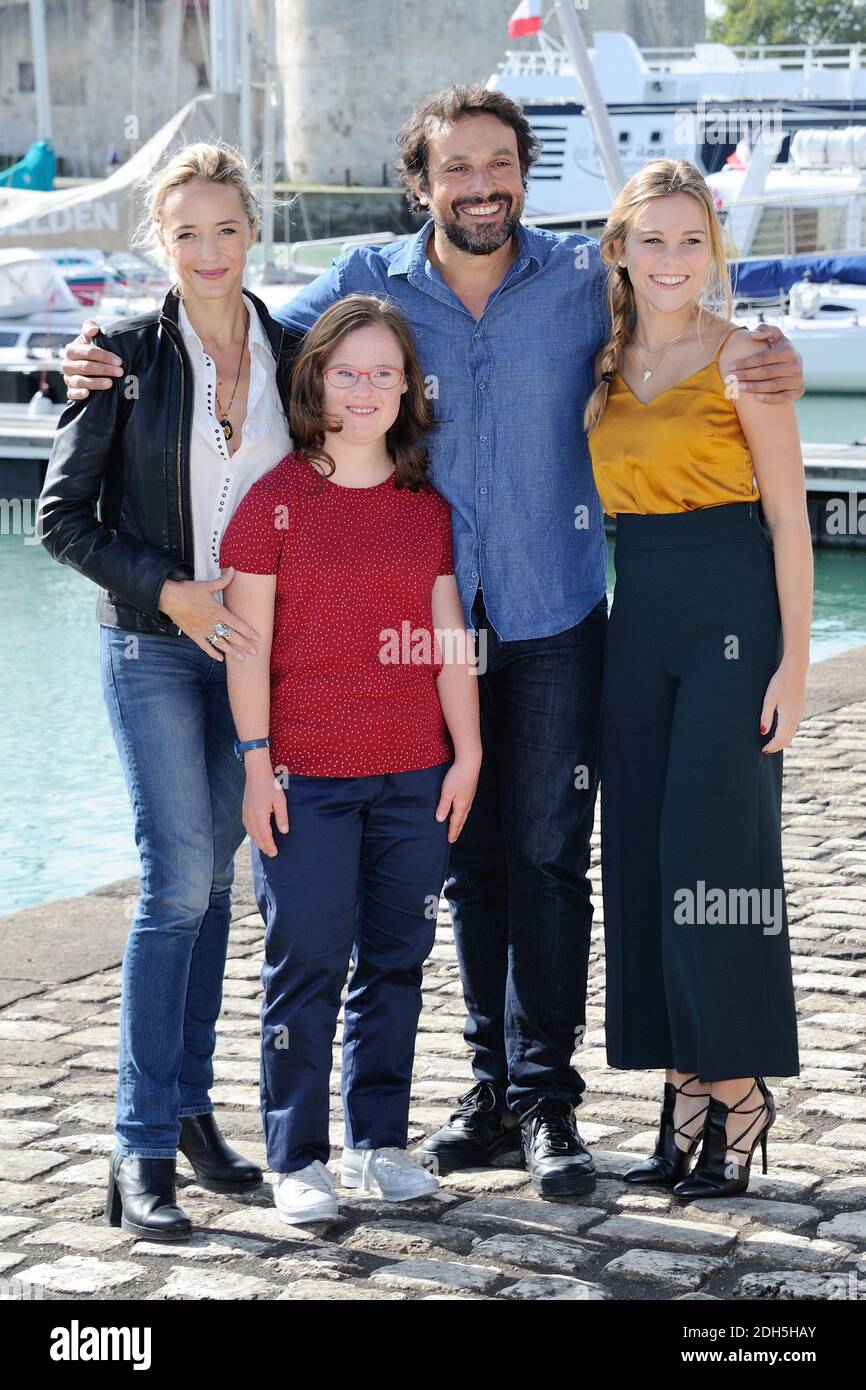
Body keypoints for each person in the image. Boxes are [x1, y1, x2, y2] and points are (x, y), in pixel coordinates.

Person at [59, 86, 806, 1201]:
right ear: (419, 184)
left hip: (554, 612)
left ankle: (545, 1099)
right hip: (427, 629)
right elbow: (244, 326)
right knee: (462, 862)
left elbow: (673, 298)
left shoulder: (575, 281)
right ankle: (486, 1093)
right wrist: (106, 351)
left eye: (497, 164)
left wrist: (770, 358)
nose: (478, 185)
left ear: (522, 173)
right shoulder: (365, 283)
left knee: (550, 856)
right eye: (454, 168)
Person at [40, 141, 303, 1239]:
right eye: (185, 231)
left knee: (217, 889)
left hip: (256, 662)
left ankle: (191, 1113)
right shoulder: (120, 358)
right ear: (161, 240)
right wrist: (174, 593)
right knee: (175, 885)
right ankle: (138, 1147)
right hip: (153, 648)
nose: (207, 249)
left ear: (253, 233)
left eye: (225, 228)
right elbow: (61, 520)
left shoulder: (294, 354)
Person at [218, 293, 480, 1222]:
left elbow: (451, 644)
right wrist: (256, 765)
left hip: (414, 773)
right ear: (315, 382)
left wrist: (469, 753)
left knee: (398, 961)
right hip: (306, 780)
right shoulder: (275, 503)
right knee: (307, 963)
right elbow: (245, 647)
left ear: (408, 387)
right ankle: (297, 1158)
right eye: (345, 372)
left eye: (383, 372)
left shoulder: (426, 510)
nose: (364, 390)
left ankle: (377, 1143)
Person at [585, 159, 811, 1200]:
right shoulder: (599, 360)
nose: (671, 259)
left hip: (731, 616)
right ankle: (679, 1091)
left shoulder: (749, 360)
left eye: (690, 241)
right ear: (620, 250)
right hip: (637, 625)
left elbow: (785, 521)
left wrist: (793, 662)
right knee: (636, 855)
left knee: (708, 863)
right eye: (652, 239)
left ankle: (735, 1089)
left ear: (711, 250)